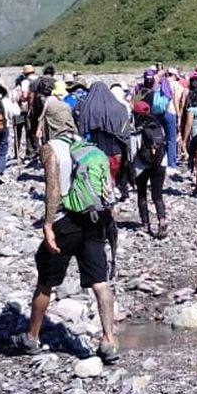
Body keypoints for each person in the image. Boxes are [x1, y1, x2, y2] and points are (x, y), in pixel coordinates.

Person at [26, 102, 119, 360]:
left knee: (46, 280)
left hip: (66, 222)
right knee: (100, 282)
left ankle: (32, 337)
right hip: (95, 221)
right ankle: (109, 340)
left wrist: (47, 224)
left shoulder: (51, 148)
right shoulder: (88, 146)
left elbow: (53, 188)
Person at [130, 100, 169, 237]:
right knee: (158, 196)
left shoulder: (137, 130)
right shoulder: (159, 127)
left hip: (143, 166)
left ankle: (146, 225)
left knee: (142, 195)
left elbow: (132, 152)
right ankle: (162, 220)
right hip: (160, 164)